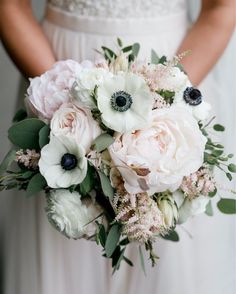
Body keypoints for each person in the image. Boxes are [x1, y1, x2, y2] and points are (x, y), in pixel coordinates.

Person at [0, 0, 235, 294]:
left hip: (174, 72)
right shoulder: (59, 95)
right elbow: (10, 6)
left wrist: (166, 103)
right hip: (56, 72)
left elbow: (221, 8)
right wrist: (70, 109)